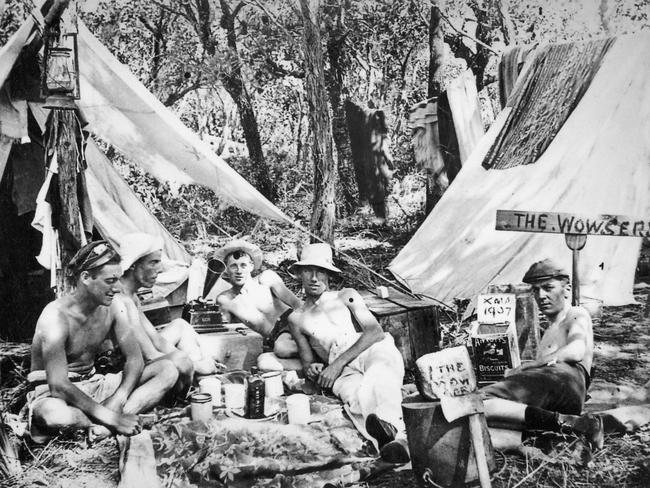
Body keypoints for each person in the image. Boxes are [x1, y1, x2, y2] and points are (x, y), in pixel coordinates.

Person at [26, 241, 179, 443]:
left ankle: (101, 425)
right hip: (53, 393)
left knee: (167, 369)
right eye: (110, 281)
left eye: (118, 279)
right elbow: (58, 385)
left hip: (94, 385)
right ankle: (109, 422)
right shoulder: (55, 317)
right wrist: (111, 417)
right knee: (54, 415)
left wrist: (119, 397)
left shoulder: (113, 307)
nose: (117, 288)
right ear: (86, 278)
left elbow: (135, 360)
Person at [287, 243, 410, 463]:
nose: (314, 278)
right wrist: (313, 368)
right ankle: (393, 442)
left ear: (329, 274)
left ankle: (397, 437)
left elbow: (374, 332)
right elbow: (307, 363)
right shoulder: (296, 317)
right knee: (355, 399)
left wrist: (335, 366)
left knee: (381, 379)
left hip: (365, 347)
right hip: (339, 367)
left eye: (321, 271)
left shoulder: (345, 296)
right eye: (308, 271)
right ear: (299, 274)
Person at [481, 258, 604, 450]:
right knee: (480, 428)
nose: (541, 296)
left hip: (565, 378)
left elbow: (576, 351)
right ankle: (555, 440)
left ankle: (570, 423)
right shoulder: (548, 331)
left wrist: (533, 364)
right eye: (535, 290)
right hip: (559, 394)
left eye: (548, 287)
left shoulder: (575, 313)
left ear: (567, 289)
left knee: (479, 402)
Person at [119, 233, 220, 394]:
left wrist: (194, 361)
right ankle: (196, 384)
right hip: (124, 368)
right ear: (133, 265)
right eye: (153, 262)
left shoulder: (132, 295)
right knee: (182, 360)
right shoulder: (121, 299)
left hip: (141, 355)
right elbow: (150, 355)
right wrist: (198, 365)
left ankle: (200, 380)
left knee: (180, 325)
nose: (159, 269)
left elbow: (156, 340)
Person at [215, 239, 303, 371]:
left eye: (243, 265)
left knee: (283, 348)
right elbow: (228, 334)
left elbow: (297, 304)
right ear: (226, 270)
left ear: (251, 266)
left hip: (292, 324)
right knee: (264, 363)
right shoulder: (225, 299)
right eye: (233, 266)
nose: (239, 271)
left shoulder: (265, 278)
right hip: (273, 341)